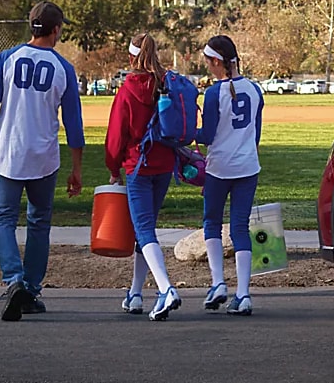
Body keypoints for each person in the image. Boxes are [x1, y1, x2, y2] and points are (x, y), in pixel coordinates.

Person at [0, 2, 85, 323]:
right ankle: (30, 288)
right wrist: (76, 168)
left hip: (8, 153)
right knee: (39, 222)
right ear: (57, 29)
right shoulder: (63, 68)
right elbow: (73, 122)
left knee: (3, 218)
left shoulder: (8, 58)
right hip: (43, 156)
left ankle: (14, 279)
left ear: (31, 26)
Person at [106, 33, 184, 321]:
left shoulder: (127, 90)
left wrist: (113, 167)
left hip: (138, 164)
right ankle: (136, 292)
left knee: (143, 230)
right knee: (147, 228)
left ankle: (165, 289)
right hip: (164, 163)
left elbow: (116, 135)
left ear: (130, 57)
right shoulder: (166, 84)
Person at [196, 35, 265, 316]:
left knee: (211, 222)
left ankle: (218, 283)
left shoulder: (214, 94)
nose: (208, 69)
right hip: (248, 167)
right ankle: (244, 293)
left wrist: (189, 136)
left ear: (216, 61)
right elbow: (255, 133)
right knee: (240, 227)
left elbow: (208, 134)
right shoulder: (255, 89)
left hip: (220, 168)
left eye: (209, 63)